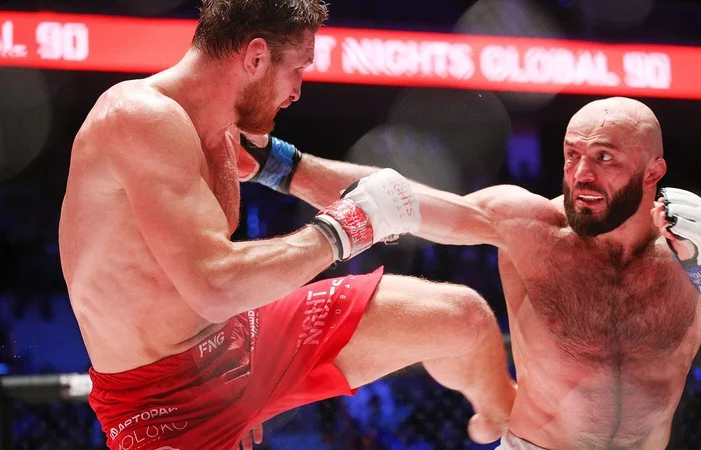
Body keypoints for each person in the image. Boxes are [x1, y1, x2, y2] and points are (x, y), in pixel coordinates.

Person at [58, 1, 517, 449]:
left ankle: (520, 439)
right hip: (162, 405)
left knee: (464, 317)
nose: (298, 90)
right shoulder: (139, 117)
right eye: (298, 68)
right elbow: (214, 286)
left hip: (235, 340)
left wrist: (492, 224)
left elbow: (358, 188)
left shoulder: (223, 131)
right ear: (256, 57)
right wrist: (345, 227)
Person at [240, 96, 701, 449]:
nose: (581, 173)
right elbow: (392, 199)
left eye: (604, 157)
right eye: (572, 154)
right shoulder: (530, 226)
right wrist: (277, 164)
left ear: (654, 171)